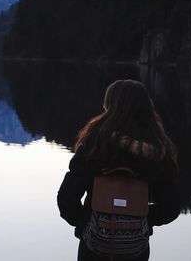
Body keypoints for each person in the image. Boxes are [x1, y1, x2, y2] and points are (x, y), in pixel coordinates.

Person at [57, 79, 180, 261]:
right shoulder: (157, 152)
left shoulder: (94, 144)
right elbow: (171, 208)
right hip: (135, 250)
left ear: (110, 107)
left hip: (93, 249)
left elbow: (67, 199)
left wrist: (88, 224)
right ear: (146, 109)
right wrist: (142, 220)